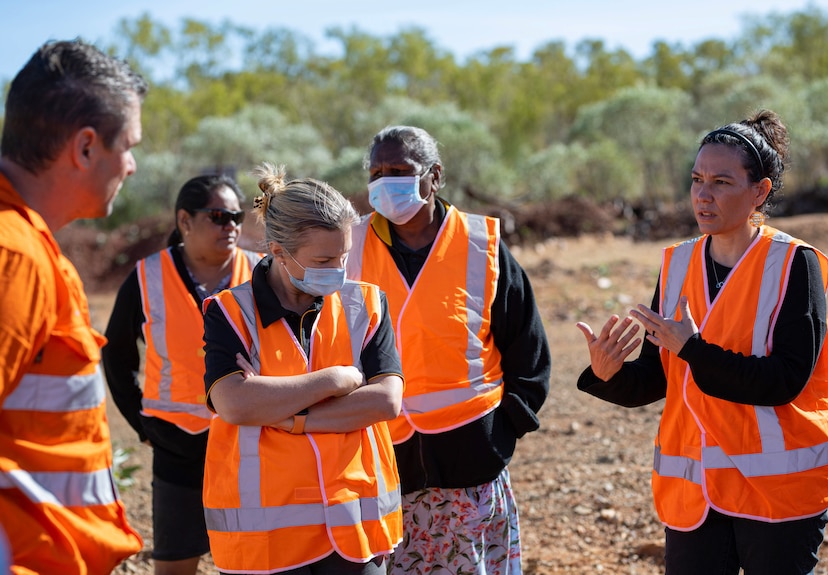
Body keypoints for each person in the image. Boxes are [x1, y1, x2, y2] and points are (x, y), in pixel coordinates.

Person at [576, 109, 828, 574]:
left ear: (759, 190)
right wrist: (609, 375)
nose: (703, 195)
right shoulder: (677, 265)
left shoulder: (793, 265)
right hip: (695, 495)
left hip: (777, 493)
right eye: (697, 179)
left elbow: (784, 381)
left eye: (722, 182)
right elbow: (659, 379)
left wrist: (694, 350)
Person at [347, 125, 551, 574]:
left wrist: (503, 431)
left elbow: (528, 352)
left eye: (400, 170)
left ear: (434, 176)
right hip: (385, 459)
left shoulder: (482, 245)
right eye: (376, 171)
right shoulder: (351, 245)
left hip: (472, 459)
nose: (385, 182)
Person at [201, 164, 404, 574]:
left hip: (354, 531)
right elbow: (236, 405)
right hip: (269, 540)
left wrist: (287, 415)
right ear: (278, 251)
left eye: (344, 255)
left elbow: (385, 401)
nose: (339, 269)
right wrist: (336, 380)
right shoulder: (230, 312)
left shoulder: (366, 304)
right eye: (325, 258)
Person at [0, 40, 148, 574]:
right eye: (127, 145)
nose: (130, 165)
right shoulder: (12, 254)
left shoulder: (25, 243)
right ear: (85, 148)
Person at [103, 174, 262, 575]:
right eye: (218, 216)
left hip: (252, 443)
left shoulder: (262, 274)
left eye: (236, 217)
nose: (231, 226)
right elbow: (117, 354)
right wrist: (142, 424)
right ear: (185, 221)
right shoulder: (146, 275)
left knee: (256, 562)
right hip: (176, 443)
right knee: (175, 565)